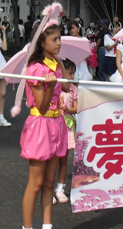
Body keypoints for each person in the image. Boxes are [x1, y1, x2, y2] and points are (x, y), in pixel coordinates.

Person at [20, 21, 69, 229]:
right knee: (36, 184)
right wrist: (49, 87)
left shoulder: (55, 64)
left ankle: (47, 226)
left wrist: (60, 66)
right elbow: (40, 107)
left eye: (60, 39)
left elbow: (67, 85)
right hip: (40, 125)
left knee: (49, 183)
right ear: (41, 42)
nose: (59, 43)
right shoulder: (35, 68)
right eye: (54, 39)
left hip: (58, 124)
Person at [54, 58, 78, 204]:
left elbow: (76, 107)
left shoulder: (73, 88)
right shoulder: (56, 86)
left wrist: (68, 109)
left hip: (68, 125)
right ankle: (48, 188)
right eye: (69, 73)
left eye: (73, 73)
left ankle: (60, 188)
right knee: (52, 158)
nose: (71, 77)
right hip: (56, 124)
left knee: (64, 159)